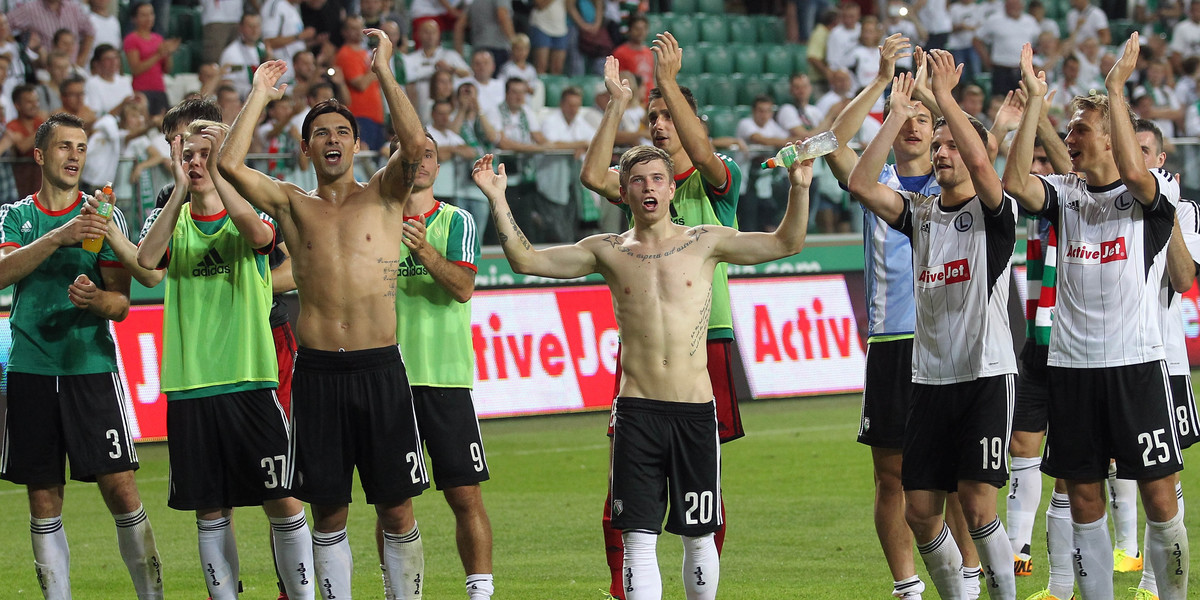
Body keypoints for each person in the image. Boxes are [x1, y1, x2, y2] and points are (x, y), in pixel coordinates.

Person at [474, 141, 813, 600]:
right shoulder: (607, 250)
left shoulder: (705, 240)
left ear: (672, 189)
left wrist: (800, 187)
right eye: (638, 180)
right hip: (637, 413)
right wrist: (498, 199)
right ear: (625, 192)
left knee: (698, 535)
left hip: (695, 411)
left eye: (657, 179)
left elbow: (786, 242)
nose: (648, 187)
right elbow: (526, 260)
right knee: (638, 538)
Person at [217, 29, 431, 598]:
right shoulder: (291, 202)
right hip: (317, 375)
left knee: (397, 505)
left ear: (357, 145)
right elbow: (230, 165)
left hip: (380, 368)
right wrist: (259, 94)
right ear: (306, 149)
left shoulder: (385, 193)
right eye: (320, 134)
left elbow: (415, 146)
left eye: (342, 132)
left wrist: (383, 70)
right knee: (328, 509)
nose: (332, 140)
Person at [1002, 36, 1190, 600]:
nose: (1068, 138)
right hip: (1072, 368)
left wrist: (1114, 88)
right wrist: (1035, 101)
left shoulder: (1149, 198)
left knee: (1160, 498)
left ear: (1111, 139)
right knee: (1082, 497)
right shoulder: (1064, 193)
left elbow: (1134, 174)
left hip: (1137, 366)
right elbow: (1014, 184)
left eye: (1080, 129)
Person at [580, 39, 745, 600]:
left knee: (705, 488)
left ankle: (701, 573)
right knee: (623, 470)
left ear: (690, 121)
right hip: (643, 349)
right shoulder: (640, 186)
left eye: (668, 116)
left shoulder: (715, 183)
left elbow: (703, 157)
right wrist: (616, 104)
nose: (657, 125)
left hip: (707, 342)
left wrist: (668, 87)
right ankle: (623, 584)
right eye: (651, 118)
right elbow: (591, 175)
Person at [848, 54, 1018, 600]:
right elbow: (860, 183)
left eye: (951, 146)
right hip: (929, 382)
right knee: (921, 511)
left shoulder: (997, 213)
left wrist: (945, 98)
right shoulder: (922, 214)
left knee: (975, 502)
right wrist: (896, 113)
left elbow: (984, 167)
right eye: (936, 146)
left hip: (984, 377)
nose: (942, 153)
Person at [823, 39, 982, 600]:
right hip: (891, 343)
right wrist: (881, 83)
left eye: (923, 116)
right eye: (904, 114)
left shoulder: (957, 189)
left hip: (949, 342)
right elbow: (829, 142)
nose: (913, 124)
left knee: (960, 476)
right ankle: (907, 584)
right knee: (890, 476)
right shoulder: (879, 182)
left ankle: (969, 569)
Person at [132, 119, 314, 600]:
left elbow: (259, 237)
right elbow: (147, 261)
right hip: (191, 385)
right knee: (209, 509)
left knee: (283, 496)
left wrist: (222, 171)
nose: (196, 163)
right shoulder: (168, 219)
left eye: (204, 154)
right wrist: (178, 188)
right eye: (187, 155)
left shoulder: (251, 212)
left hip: (251, 379)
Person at [0, 111, 163, 600]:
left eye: (81, 147)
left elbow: (122, 301)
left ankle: (151, 595)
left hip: (90, 369)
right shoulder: (16, 215)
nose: (74, 156)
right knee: (44, 497)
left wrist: (97, 301)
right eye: (64, 146)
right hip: (31, 369)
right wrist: (57, 237)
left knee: (122, 489)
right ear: (40, 155)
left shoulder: (104, 216)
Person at [372, 132, 494, 600]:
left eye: (428, 154)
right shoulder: (374, 221)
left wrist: (423, 250)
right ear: (390, 165)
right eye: (407, 154)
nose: (418, 162)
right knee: (391, 502)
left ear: (439, 167)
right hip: (384, 379)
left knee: (464, 496)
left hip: (444, 378)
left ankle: (480, 592)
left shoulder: (457, 220)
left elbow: (462, 287)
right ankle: (397, 591)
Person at [1129, 117, 1198, 600]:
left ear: (1159, 160)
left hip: (1164, 361)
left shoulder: (1186, 210)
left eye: (1144, 149)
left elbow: (1183, 278)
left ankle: (1155, 587)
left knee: (1160, 477)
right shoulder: (1103, 197)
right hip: (1110, 359)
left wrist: (1165, 207)